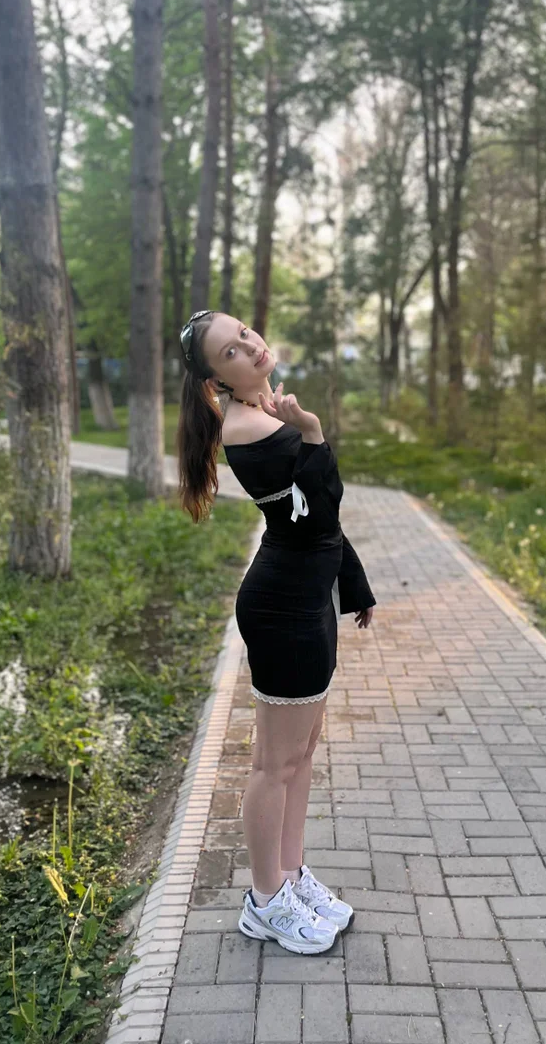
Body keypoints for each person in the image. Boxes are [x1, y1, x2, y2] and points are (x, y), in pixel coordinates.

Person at [176, 309, 376, 955]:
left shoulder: (266, 412)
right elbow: (320, 511)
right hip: (283, 610)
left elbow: (321, 527)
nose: (250, 346)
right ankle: (264, 901)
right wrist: (312, 432)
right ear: (216, 380)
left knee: (301, 753)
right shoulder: (248, 428)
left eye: (245, 333)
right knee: (272, 763)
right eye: (230, 351)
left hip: (307, 601)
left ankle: (289, 874)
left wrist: (355, 587)